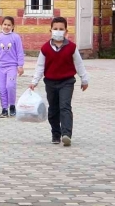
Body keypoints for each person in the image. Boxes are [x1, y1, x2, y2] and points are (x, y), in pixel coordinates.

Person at [29, 17, 90, 147]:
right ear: (50, 30)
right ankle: (56, 134)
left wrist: (84, 80)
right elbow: (40, 66)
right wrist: (34, 82)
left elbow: (79, 64)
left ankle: (66, 134)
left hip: (67, 82)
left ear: (66, 31)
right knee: (53, 110)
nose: (58, 31)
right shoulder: (45, 48)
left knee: (65, 106)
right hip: (50, 82)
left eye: (61, 29)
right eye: (55, 29)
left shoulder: (71, 47)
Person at [0, 16, 25, 118]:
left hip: (12, 66)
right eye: (5, 24)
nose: (6, 27)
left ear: (12, 26)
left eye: (9, 25)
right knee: (2, 88)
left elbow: (20, 52)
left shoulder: (16, 37)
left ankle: (12, 106)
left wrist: (20, 65)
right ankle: (4, 109)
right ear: (1, 25)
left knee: (10, 85)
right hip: (0, 67)